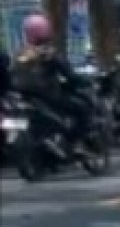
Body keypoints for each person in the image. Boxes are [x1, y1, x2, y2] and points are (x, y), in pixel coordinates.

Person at [9, 14, 92, 149]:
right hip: (48, 96)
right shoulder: (48, 53)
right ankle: (73, 144)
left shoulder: (20, 53)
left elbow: (12, 72)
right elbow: (68, 73)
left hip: (23, 97)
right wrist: (81, 81)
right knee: (82, 110)